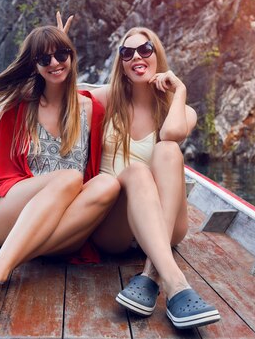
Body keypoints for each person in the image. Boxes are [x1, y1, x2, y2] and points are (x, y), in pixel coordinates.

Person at [0, 23, 120, 324]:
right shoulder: (21, 105)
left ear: (72, 56)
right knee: (70, 177)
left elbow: (129, 85)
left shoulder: (91, 109)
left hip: (61, 224)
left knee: (107, 184)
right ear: (34, 65)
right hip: (11, 213)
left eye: (61, 54)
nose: (54, 63)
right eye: (44, 59)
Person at [89, 26, 221, 329]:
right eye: (127, 52)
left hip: (167, 223)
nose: (136, 56)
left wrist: (180, 91)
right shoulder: (108, 99)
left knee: (168, 150)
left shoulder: (181, 109)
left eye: (145, 50)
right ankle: (175, 282)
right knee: (135, 171)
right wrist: (57, 49)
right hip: (116, 227)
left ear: (156, 55)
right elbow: (62, 97)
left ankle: (151, 273)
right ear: (121, 65)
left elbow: (172, 133)